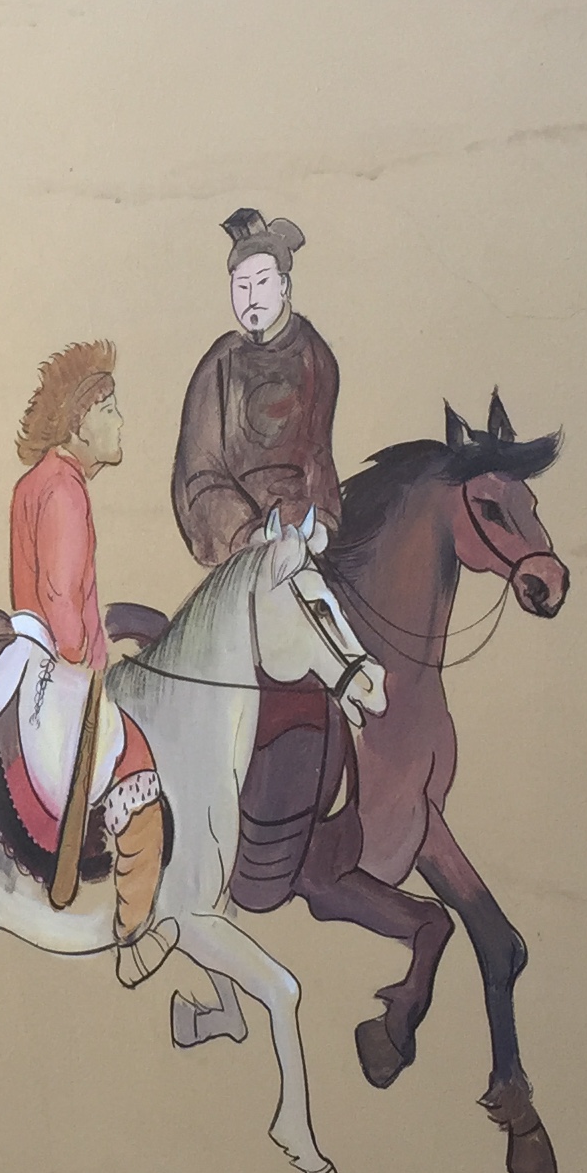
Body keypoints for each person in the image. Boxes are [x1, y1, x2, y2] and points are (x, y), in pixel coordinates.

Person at [170, 205, 344, 924]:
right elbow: (198, 469)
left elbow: (319, 455)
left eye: (261, 283)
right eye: (239, 286)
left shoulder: (315, 358)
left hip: (302, 539)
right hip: (240, 548)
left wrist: (315, 522)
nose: (249, 298)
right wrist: (245, 534)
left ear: (285, 285)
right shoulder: (218, 366)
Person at [6, 341, 175, 983]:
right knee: (139, 771)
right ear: (79, 423)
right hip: (61, 671)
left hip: (27, 663)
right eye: (110, 409)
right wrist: (86, 659)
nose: (121, 421)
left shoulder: (36, 483)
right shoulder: (65, 491)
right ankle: (133, 938)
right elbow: (61, 599)